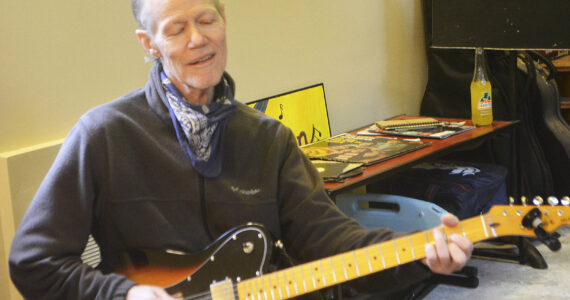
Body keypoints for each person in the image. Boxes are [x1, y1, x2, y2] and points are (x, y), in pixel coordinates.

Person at [9, 0, 473, 299]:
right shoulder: (104, 135)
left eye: (207, 20)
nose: (198, 39)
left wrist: (418, 252)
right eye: (175, 29)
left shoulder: (269, 139)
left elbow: (334, 244)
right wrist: (122, 295)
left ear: (224, 20)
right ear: (148, 43)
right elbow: (35, 263)